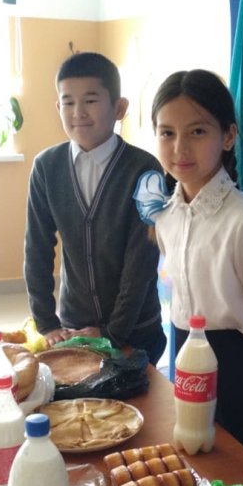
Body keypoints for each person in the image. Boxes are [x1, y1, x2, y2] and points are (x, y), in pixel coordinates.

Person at [135, 69, 243, 459]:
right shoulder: (166, 216)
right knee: (195, 467)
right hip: (186, 360)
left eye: (197, 132)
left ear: (228, 136)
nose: (180, 148)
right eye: (167, 133)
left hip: (239, 375)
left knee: (240, 473)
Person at [24, 51, 166, 364]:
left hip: (136, 330)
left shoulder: (145, 169)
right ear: (58, 107)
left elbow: (141, 260)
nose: (78, 113)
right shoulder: (46, 167)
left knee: (140, 394)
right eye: (68, 102)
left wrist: (111, 333)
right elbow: (37, 248)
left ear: (119, 108)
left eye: (90, 100)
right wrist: (46, 322)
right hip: (73, 328)